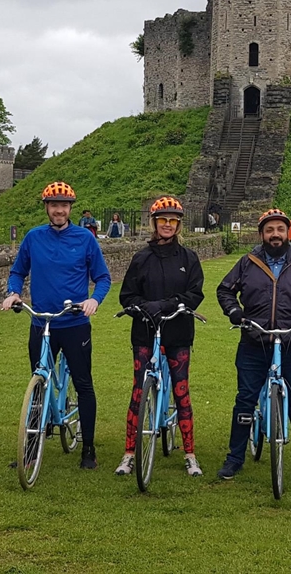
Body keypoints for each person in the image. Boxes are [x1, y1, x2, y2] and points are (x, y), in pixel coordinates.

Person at [216, 208, 291, 482]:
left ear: (288, 232)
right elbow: (225, 290)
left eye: (280, 229)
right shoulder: (248, 262)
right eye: (270, 230)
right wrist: (234, 312)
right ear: (262, 234)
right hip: (254, 340)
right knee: (245, 399)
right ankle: (234, 458)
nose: (275, 235)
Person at [3, 182, 111, 469]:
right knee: (37, 384)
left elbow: (103, 278)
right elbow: (18, 271)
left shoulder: (85, 239)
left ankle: (88, 448)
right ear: (47, 208)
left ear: (70, 208)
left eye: (64, 205)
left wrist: (94, 301)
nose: (59, 209)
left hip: (74, 322)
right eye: (54, 205)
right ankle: (30, 446)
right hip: (41, 321)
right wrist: (13, 292)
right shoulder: (33, 237)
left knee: (83, 383)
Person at [116, 196, 205, 477]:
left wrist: (166, 305)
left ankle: (190, 453)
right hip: (145, 331)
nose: (168, 225)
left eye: (173, 221)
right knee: (139, 391)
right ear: (154, 223)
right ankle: (129, 453)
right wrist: (143, 307)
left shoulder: (189, 258)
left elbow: (195, 294)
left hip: (177, 331)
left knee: (181, 391)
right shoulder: (141, 258)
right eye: (163, 220)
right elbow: (127, 295)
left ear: (179, 225)